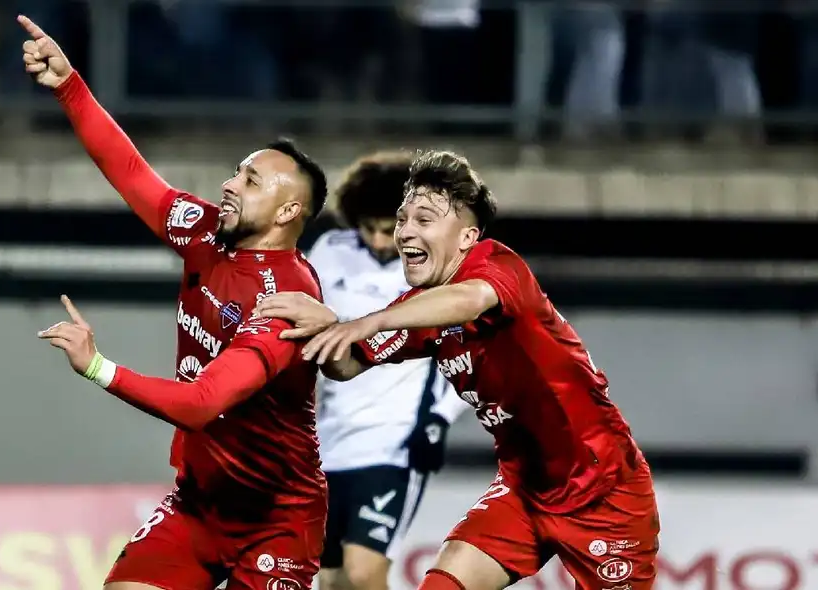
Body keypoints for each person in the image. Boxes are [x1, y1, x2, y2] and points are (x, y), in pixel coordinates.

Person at [19, 15, 330, 590]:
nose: (231, 184)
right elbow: (130, 171)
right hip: (199, 503)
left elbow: (202, 403)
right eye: (237, 172)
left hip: (275, 520)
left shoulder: (286, 299)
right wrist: (69, 86)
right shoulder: (205, 232)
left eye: (252, 181)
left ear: (289, 213)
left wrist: (97, 367)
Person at [256, 150, 660, 590]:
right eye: (403, 219)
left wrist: (367, 320)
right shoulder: (419, 310)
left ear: (467, 237)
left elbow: (470, 299)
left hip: (604, 492)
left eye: (423, 220)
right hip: (523, 492)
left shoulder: (498, 267)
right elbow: (349, 364)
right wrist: (320, 329)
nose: (405, 232)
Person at [306, 152, 467, 590]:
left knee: (365, 571)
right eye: (369, 228)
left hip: (392, 443)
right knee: (330, 580)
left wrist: (438, 419)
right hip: (326, 443)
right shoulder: (329, 253)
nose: (379, 240)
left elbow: (462, 347)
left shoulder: (434, 269)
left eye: (388, 229)